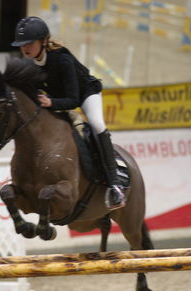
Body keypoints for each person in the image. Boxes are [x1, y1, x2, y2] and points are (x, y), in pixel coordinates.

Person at [11, 16, 125, 210]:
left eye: (29, 43)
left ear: (44, 41)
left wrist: (51, 102)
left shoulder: (62, 59)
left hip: (85, 94)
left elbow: (74, 100)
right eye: (22, 45)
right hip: (57, 99)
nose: (25, 48)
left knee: (97, 124)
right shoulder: (29, 64)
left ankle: (115, 184)